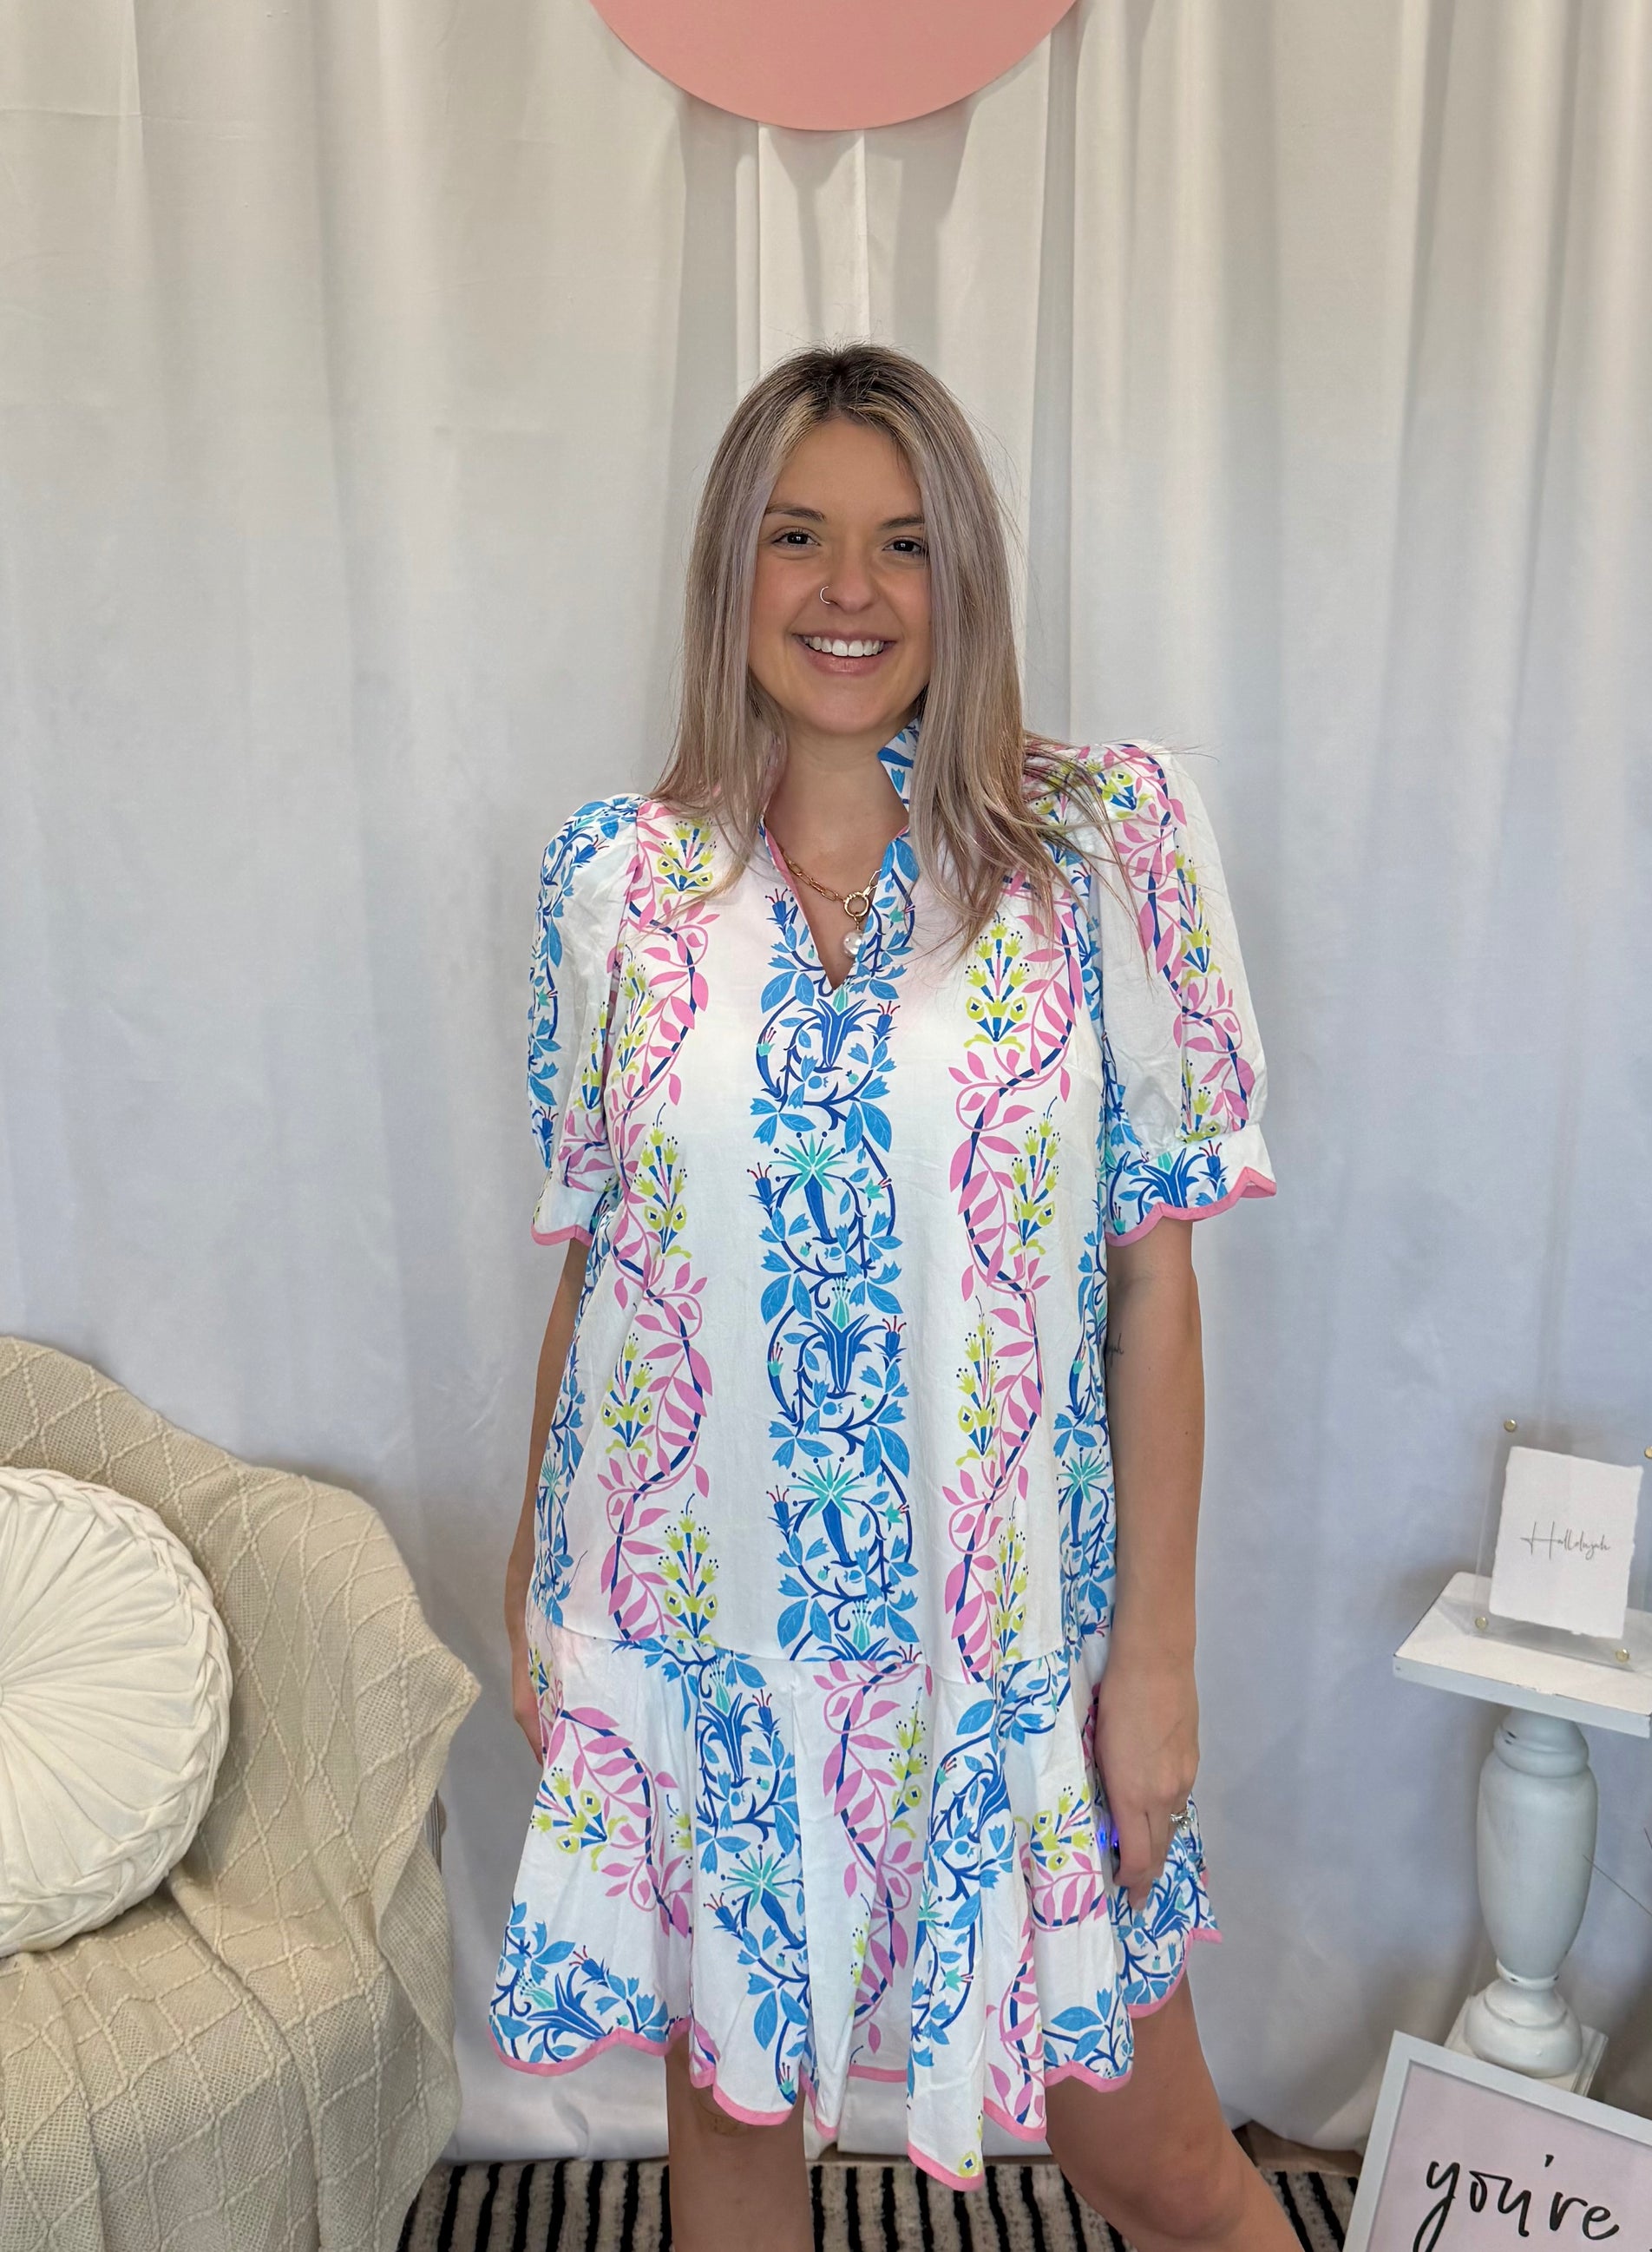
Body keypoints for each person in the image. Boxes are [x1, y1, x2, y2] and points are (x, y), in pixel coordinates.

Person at [491, 345, 1288, 2252]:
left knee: (1156, 2161)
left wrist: (1153, 1666)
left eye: (904, 543)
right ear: (730, 567)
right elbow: (604, 1261)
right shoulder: (617, 884)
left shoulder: (1103, 848)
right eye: (799, 537)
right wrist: (540, 1581)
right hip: (705, 1652)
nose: (848, 591)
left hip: (1007, 1657)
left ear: (964, 576)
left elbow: (1153, 1286)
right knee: (733, 2158)